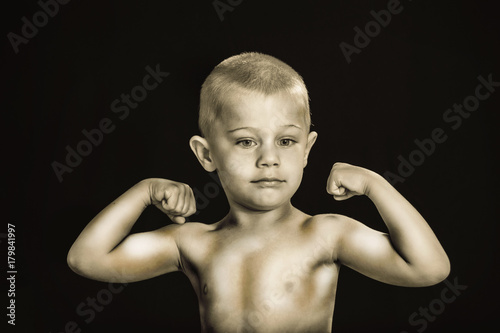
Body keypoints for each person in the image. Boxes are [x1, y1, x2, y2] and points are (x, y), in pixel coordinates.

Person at [67, 52, 450, 332]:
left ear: (307, 151)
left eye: (286, 141)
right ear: (206, 154)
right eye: (247, 142)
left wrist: (374, 184)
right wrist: (144, 191)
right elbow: (87, 259)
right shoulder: (194, 242)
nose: (269, 158)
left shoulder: (326, 234)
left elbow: (429, 268)